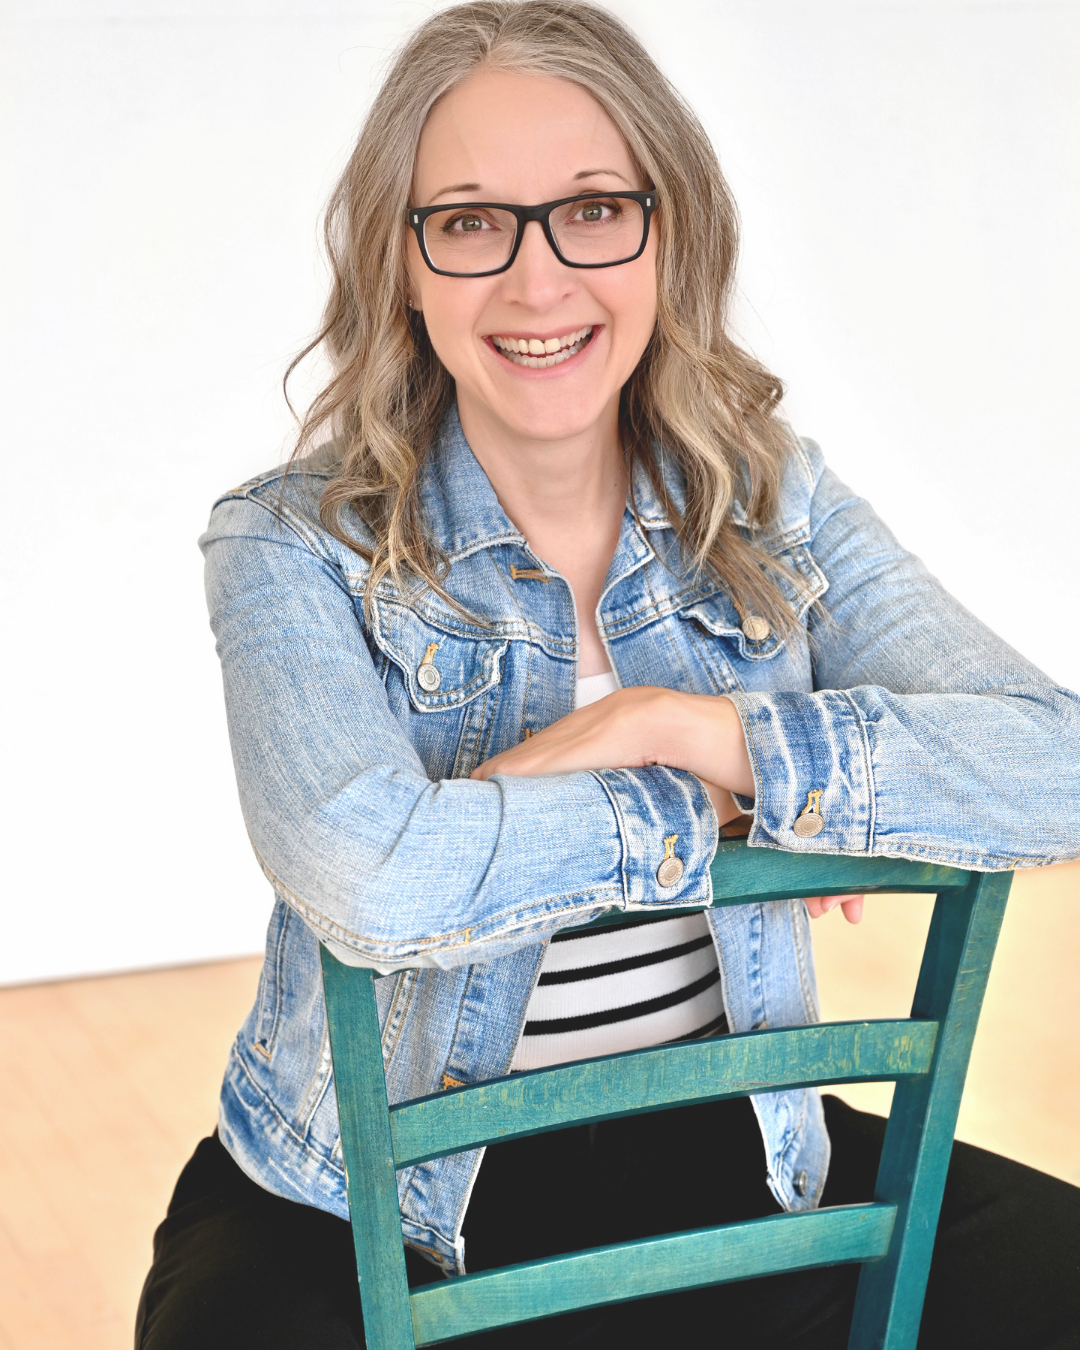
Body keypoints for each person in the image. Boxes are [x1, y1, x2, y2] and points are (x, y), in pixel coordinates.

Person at [135, 2, 1080, 1346]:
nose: (537, 281)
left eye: (592, 209)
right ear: (403, 266)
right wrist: (717, 805)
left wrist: (679, 725)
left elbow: (1053, 758)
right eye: (470, 223)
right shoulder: (292, 544)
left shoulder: (773, 505)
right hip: (361, 1194)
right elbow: (371, 873)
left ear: (666, 232)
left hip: (729, 1153)